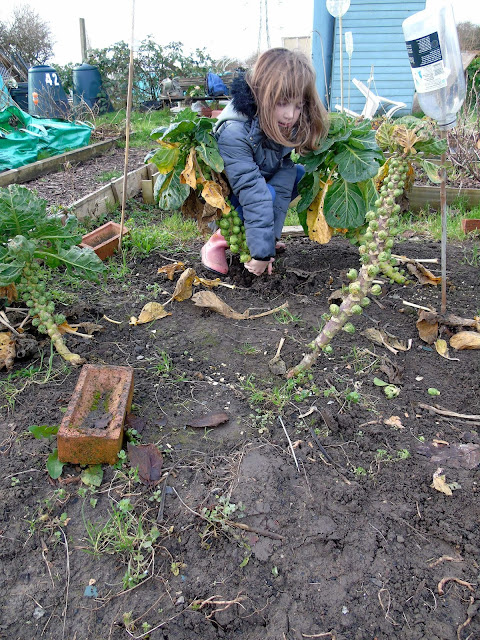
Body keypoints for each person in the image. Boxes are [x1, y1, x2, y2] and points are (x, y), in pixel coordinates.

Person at [201, 47, 329, 276]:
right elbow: (252, 191)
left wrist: (268, 243)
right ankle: (218, 240)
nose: (291, 115)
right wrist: (260, 254)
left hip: (259, 186)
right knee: (264, 193)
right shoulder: (235, 132)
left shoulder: (281, 125)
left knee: (298, 177)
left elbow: (283, 179)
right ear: (262, 95)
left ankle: (257, 237)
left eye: (298, 106)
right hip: (226, 198)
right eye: (283, 103)